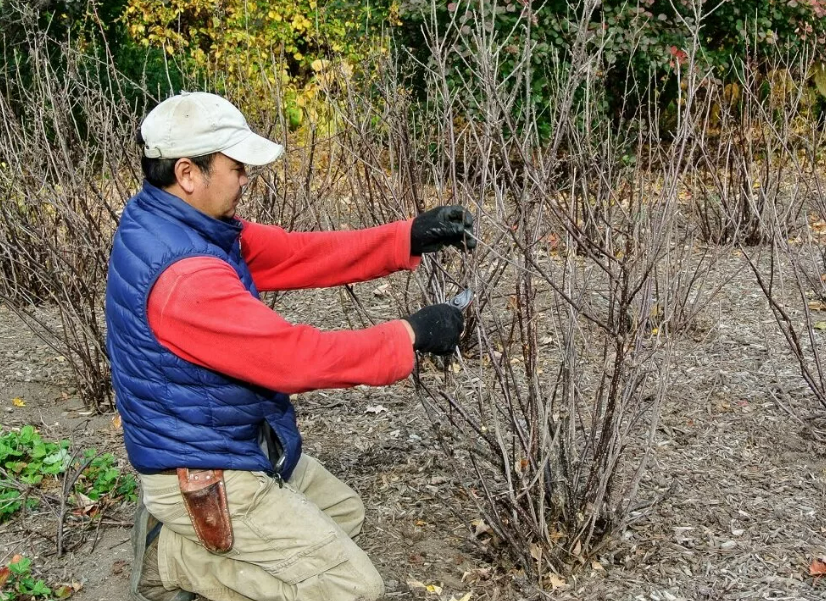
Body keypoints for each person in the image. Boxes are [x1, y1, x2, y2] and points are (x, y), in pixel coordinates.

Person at [104, 91, 475, 601]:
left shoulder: (173, 221)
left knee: (346, 515)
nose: (244, 179)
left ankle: (201, 548)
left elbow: (293, 254)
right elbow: (294, 360)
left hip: (232, 436)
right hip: (205, 466)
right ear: (188, 173)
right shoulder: (184, 277)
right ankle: (176, 560)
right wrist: (408, 335)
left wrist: (406, 237)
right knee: (352, 588)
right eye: (235, 166)